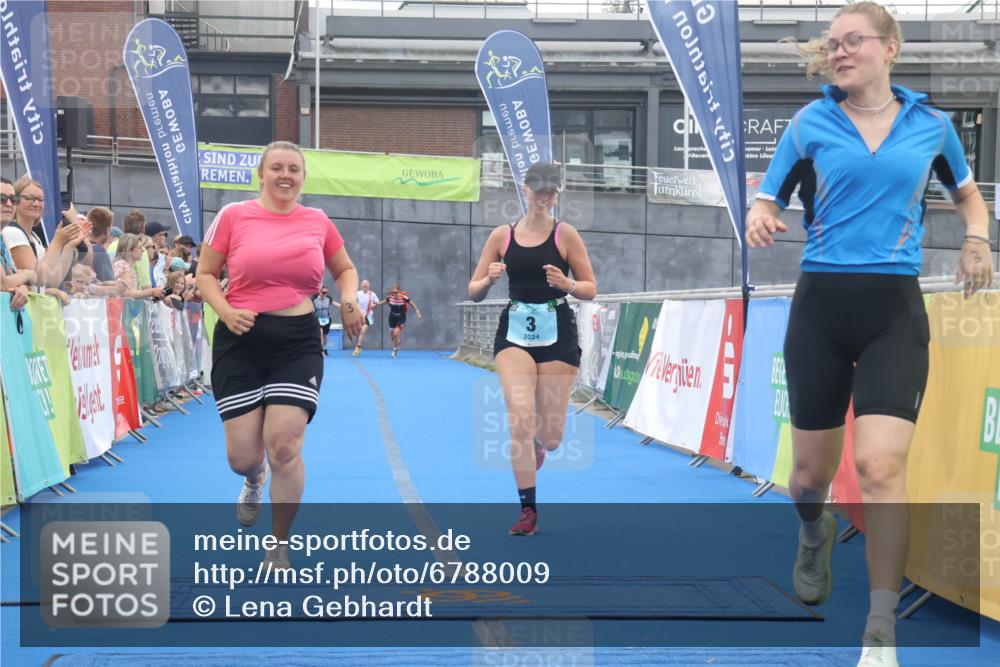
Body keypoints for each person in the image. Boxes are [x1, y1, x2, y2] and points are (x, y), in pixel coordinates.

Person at [748, 4, 995, 665]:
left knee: (882, 466)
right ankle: (812, 529)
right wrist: (760, 214)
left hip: (894, 307)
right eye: (832, 43)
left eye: (853, 40)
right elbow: (766, 197)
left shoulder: (932, 126)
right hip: (821, 306)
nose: (839, 51)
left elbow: (969, 196)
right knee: (808, 477)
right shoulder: (809, 123)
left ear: (891, 49)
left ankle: (880, 630)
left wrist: (977, 237)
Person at [196, 140, 363, 569]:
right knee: (244, 458)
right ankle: (254, 480)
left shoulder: (317, 221)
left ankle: (279, 543)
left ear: (303, 177)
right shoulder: (235, 215)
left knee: (284, 445)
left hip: (297, 340)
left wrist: (348, 300)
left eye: (294, 169)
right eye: (277, 168)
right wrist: (226, 311)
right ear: (262, 174)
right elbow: (206, 274)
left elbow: (343, 269)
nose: (285, 175)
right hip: (241, 336)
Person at [467, 161, 597, 537]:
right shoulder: (501, 236)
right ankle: (528, 511)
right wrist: (488, 281)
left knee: (552, 436)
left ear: (557, 195)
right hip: (515, 335)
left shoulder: (565, 235)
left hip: (558, 333)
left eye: (550, 191)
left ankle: (542, 441)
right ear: (523, 191)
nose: (543, 197)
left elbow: (591, 287)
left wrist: (568, 284)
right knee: (520, 420)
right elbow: (472, 292)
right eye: (537, 189)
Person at [2, 176, 84, 303]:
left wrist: (70, 246)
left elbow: (53, 279)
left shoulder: (34, 237)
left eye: (40, 199)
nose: (36, 203)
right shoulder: (12, 232)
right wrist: (57, 242)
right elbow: (39, 277)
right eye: (29, 198)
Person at [378, 283, 421, 358]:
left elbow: (412, 303)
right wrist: (377, 304)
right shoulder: (390, 296)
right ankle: (398, 342)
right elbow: (385, 301)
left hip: (401, 318)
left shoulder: (403, 297)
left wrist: (417, 311)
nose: (394, 294)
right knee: (392, 336)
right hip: (392, 318)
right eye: (392, 292)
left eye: (396, 292)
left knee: (395, 334)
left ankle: (394, 351)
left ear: (399, 292)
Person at [352, 279, 379, 356]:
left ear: (368, 286)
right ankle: (357, 346)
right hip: (359, 316)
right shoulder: (357, 294)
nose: (365, 287)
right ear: (361, 286)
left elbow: (377, 302)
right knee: (358, 333)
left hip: (368, 316)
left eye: (366, 285)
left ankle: (358, 347)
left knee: (363, 331)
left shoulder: (372, 294)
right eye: (363, 285)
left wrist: (374, 305)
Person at [312, 287, 340, 355]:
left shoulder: (328, 299)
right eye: (323, 292)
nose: (325, 294)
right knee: (320, 332)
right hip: (317, 319)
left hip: (327, 319)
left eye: (326, 293)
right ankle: (320, 349)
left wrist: (342, 306)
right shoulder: (314, 299)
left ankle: (325, 349)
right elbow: (310, 307)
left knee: (325, 335)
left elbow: (334, 303)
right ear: (320, 292)